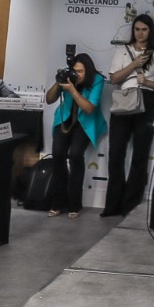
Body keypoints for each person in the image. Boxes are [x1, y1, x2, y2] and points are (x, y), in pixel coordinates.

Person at [103, 14, 154, 217]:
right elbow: (114, 79)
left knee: (140, 154)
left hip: (147, 101)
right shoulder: (122, 51)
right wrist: (133, 65)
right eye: (137, 29)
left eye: (144, 29)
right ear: (133, 30)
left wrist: (147, 82)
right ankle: (112, 205)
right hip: (124, 100)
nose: (140, 33)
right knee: (116, 152)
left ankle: (130, 205)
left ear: (150, 31)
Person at [45, 53, 105, 220]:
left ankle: (74, 204)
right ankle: (58, 202)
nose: (77, 74)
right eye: (75, 71)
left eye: (81, 71)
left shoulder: (97, 80)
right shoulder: (67, 75)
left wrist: (72, 90)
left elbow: (89, 109)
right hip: (65, 119)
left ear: (88, 71)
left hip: (85, 121)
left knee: (76, 155)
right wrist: (59, 81)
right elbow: (49, 100)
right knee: (58, 154)